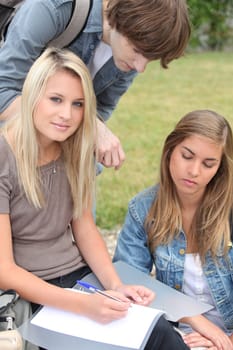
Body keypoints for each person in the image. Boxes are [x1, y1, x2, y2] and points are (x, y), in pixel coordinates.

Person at [0, 47, 190, 350]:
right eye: (56, 100)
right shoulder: (4, 156)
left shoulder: (75, 149)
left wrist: (115, 286)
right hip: (29, 294)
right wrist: (82, 306)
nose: (67, 115)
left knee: (161, 335)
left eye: (78, 104)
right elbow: (5, 271)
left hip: (77, 277)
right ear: (33, 95)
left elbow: (84, 227)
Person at [0, 0, 191, 170]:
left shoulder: (132, 56)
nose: (140, 67)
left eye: (150, 59)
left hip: (57, 155)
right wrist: (89, 126)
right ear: (118, 18)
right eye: (136, 50)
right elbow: (3, 89)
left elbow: (101, 109)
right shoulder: (53, 8)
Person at [113, 109, 233, 350]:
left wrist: (228, 341)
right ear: (170, 151)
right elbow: (127, 279)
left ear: (220, 168)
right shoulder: (143, 208)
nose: (194, 171)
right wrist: (194, 319)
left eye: (208, 164)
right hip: (175, 334)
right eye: (187, 156)